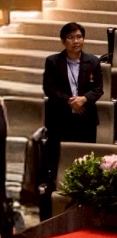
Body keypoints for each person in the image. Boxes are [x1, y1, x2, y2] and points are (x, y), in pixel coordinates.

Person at [42, 22, 105, 155]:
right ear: (63, 41)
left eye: (79, 37)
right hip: (60, 116)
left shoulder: (93, 61)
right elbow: (49, 88)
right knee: (58, 156)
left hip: (86, 116)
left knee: (84, 156)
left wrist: (83, 99)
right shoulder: (53, 61)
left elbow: (98, 89)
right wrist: (70, 101)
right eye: (71, 37)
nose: (76, 41)